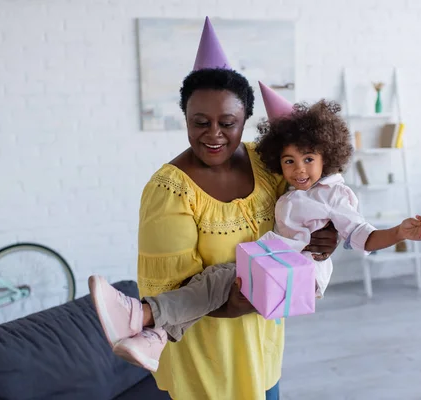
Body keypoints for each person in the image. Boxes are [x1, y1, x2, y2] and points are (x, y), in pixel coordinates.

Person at [89, 17, 340, 400]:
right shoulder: (169, 191)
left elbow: (308, 207)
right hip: (206, 356)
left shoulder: (270, 165)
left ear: (245, 121)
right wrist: (232, 306)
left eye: (228, 122)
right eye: (200, 122)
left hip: (262, 344)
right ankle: (138, 319)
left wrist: (327, 235)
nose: (214, 134)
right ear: (186, 119)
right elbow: (170, 289)